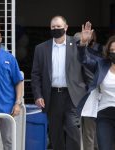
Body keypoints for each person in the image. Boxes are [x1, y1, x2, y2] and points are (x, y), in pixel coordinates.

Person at [31, 15, 87, 150]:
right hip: (52, 96)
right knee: (55, 135)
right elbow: (36, 75)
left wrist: (84, 44)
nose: (56, 29)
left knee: (73, 131)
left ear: (66, 28)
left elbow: (86, 64)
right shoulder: (41, 49)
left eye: (59, 26)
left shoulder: (76, 45)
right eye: (53, 27)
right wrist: (38, 95)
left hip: (72, 96)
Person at [77, 21, 115, 150]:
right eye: (112, 51)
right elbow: (84, 60)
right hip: (104, 114)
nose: (114, 53)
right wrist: (83, 44)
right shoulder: (101, 64)